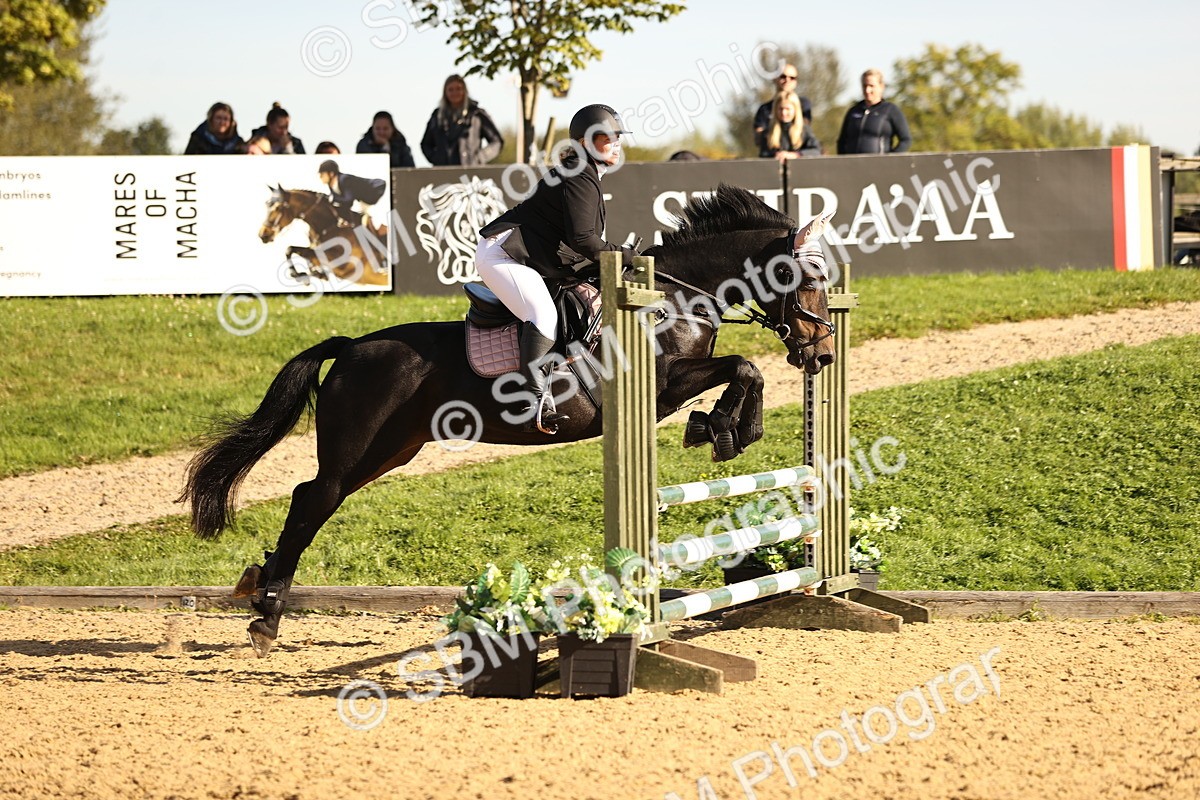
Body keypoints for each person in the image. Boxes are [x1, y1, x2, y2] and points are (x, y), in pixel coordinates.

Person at [475, 104, 638, 435]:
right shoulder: (579, 173)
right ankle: (532, 402)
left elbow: (579, 242)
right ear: (586, 141)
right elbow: (583, 240)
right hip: (503, 254)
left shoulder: (585, 172)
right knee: (542, 315)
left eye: (619, 136)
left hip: (522, 254)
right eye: (610, 137)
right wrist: (624, 255)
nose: (617, 143)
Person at [420, 74, 504, 166]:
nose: (455, 93)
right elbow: (426, 144)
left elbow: (497, 141)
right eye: (450, 90)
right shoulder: (437, 116)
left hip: (469, 172)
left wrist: (480, 157)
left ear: (464, 91)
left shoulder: (477, 115)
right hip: (443, 172)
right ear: (445, 92)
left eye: (458, 89)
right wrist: (436, 158)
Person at [836, 69, 911, 154]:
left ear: (881, 87)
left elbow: (905, 140)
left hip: (880, 165)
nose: (867, 90)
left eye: (871, 86)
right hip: (853, 164)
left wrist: (891, 159)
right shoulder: (853, 111)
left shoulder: (891, 110)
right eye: (864, 86)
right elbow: (842, 141)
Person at [317, 159, 387, 238]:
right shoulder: (331, 185)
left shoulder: (344, 179)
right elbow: (344, 204)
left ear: (331, 174)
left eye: (322, 174)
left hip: (379, 192)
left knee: (377, 225)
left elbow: (349, 199)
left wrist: (332, 199)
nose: (320, 177)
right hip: (364, 201)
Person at [753, 64, 811, 153]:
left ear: (796, 81)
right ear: (775, 79)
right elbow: (759, 140)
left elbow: (804, 132)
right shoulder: (764, 109)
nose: (787, 80)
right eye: (783, 76)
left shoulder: (804, 104)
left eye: (792, 78)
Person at [759, 91, 821, 161]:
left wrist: (796, 155)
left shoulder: (804, 130)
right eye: (780, 109)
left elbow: (816, 151)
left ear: (795, 110)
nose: (784, 113)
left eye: (787, 109)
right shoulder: (768, 132)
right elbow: (763, 156)